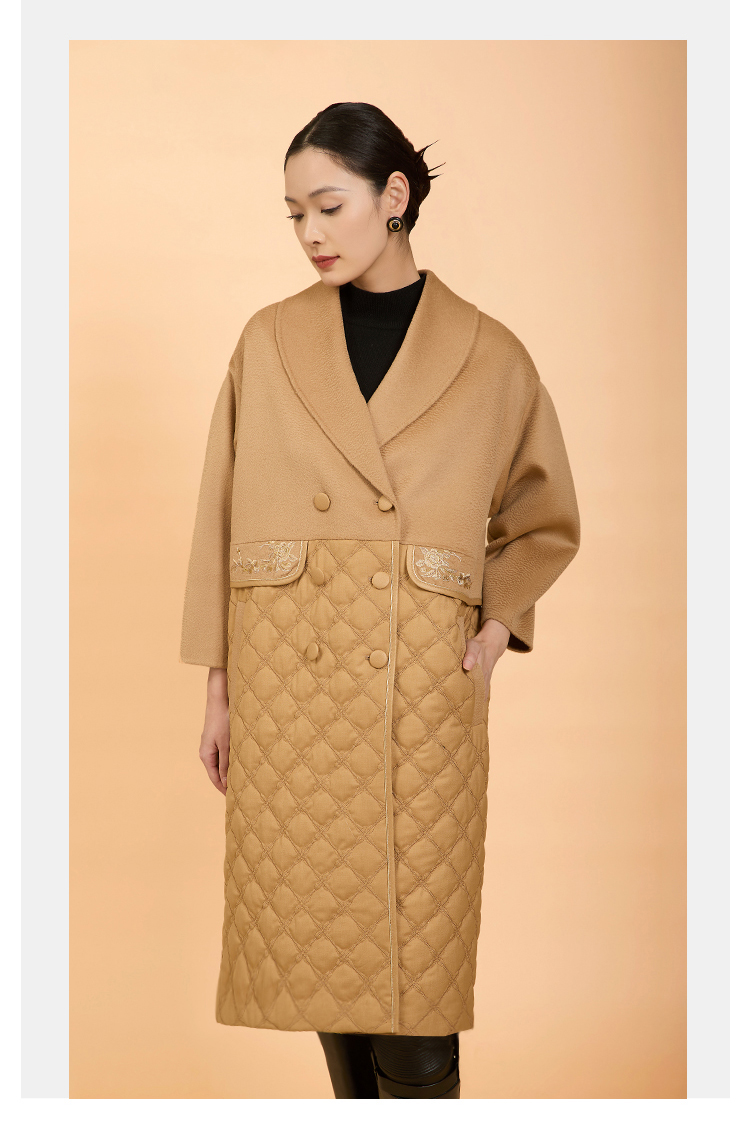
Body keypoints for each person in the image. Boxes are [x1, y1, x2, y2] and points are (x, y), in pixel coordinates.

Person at [180, 102, 581, 1099]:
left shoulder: (490, 354)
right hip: (290, 693)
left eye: (329, 206)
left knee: (416, 995)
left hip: (419, 700)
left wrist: (496, 625)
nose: (310, 234)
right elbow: (220, 518)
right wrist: (220, 689)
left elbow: (542, 517)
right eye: (294, 215)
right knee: (325, 971)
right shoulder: (268, 341)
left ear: (393, 196)